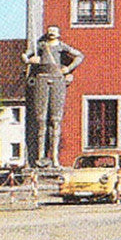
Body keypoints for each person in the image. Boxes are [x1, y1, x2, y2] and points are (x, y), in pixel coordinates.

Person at [24, 26, 84, 169]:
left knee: (55, 120)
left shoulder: (61, 46)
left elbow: (79, 55)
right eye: (50, 31)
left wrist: (68, 69)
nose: (52, 34)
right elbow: (25, 56)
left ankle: (55, 158)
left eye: (54, 32)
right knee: (40, 119)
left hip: (57, 79)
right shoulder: (40, 46)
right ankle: (39, 157)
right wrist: (30, 60)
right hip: (42, 79)